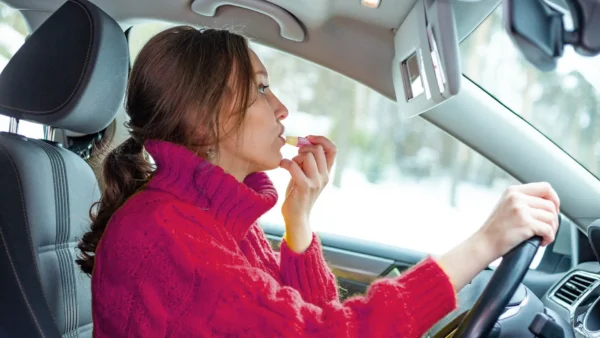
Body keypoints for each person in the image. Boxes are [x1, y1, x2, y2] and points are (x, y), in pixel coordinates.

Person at [76, 26, 560, 338]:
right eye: (262, 88)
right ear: (204, 121)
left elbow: (309, 315)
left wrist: (298, 219)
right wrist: (484, 243)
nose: (282, 107)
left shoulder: (219, 220)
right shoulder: (164, 235)